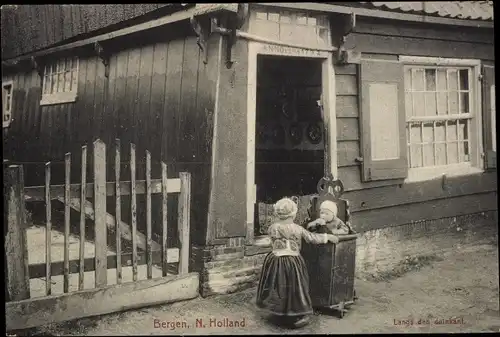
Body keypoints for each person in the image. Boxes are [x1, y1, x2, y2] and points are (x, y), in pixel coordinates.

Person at [255, 197, 340, 328]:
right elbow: (312, 238)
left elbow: (270, 241)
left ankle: (278, 311)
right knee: (295, 287)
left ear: (278, 214)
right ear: (293, 214)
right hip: (292, 261)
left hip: (275, 260)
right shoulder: (297, 229)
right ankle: (294, 313)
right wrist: (328, 237)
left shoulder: (273, 227)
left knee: (277, 285)